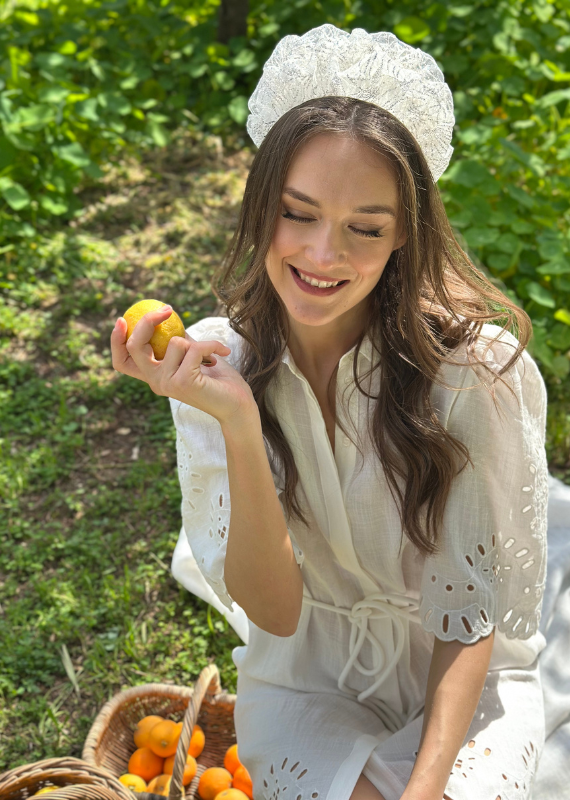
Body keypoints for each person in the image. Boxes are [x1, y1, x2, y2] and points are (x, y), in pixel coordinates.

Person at [111, 24, 550, 800]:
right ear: (261, 204)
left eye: (364, 229)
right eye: (298, 212)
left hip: (463, 687)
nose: (322, 255)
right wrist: (240, 424)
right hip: (309, 674)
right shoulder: (218, 365)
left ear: (404, 235)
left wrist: (422, 790)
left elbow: (466, 623)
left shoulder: (471, 375)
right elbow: (275, 614)